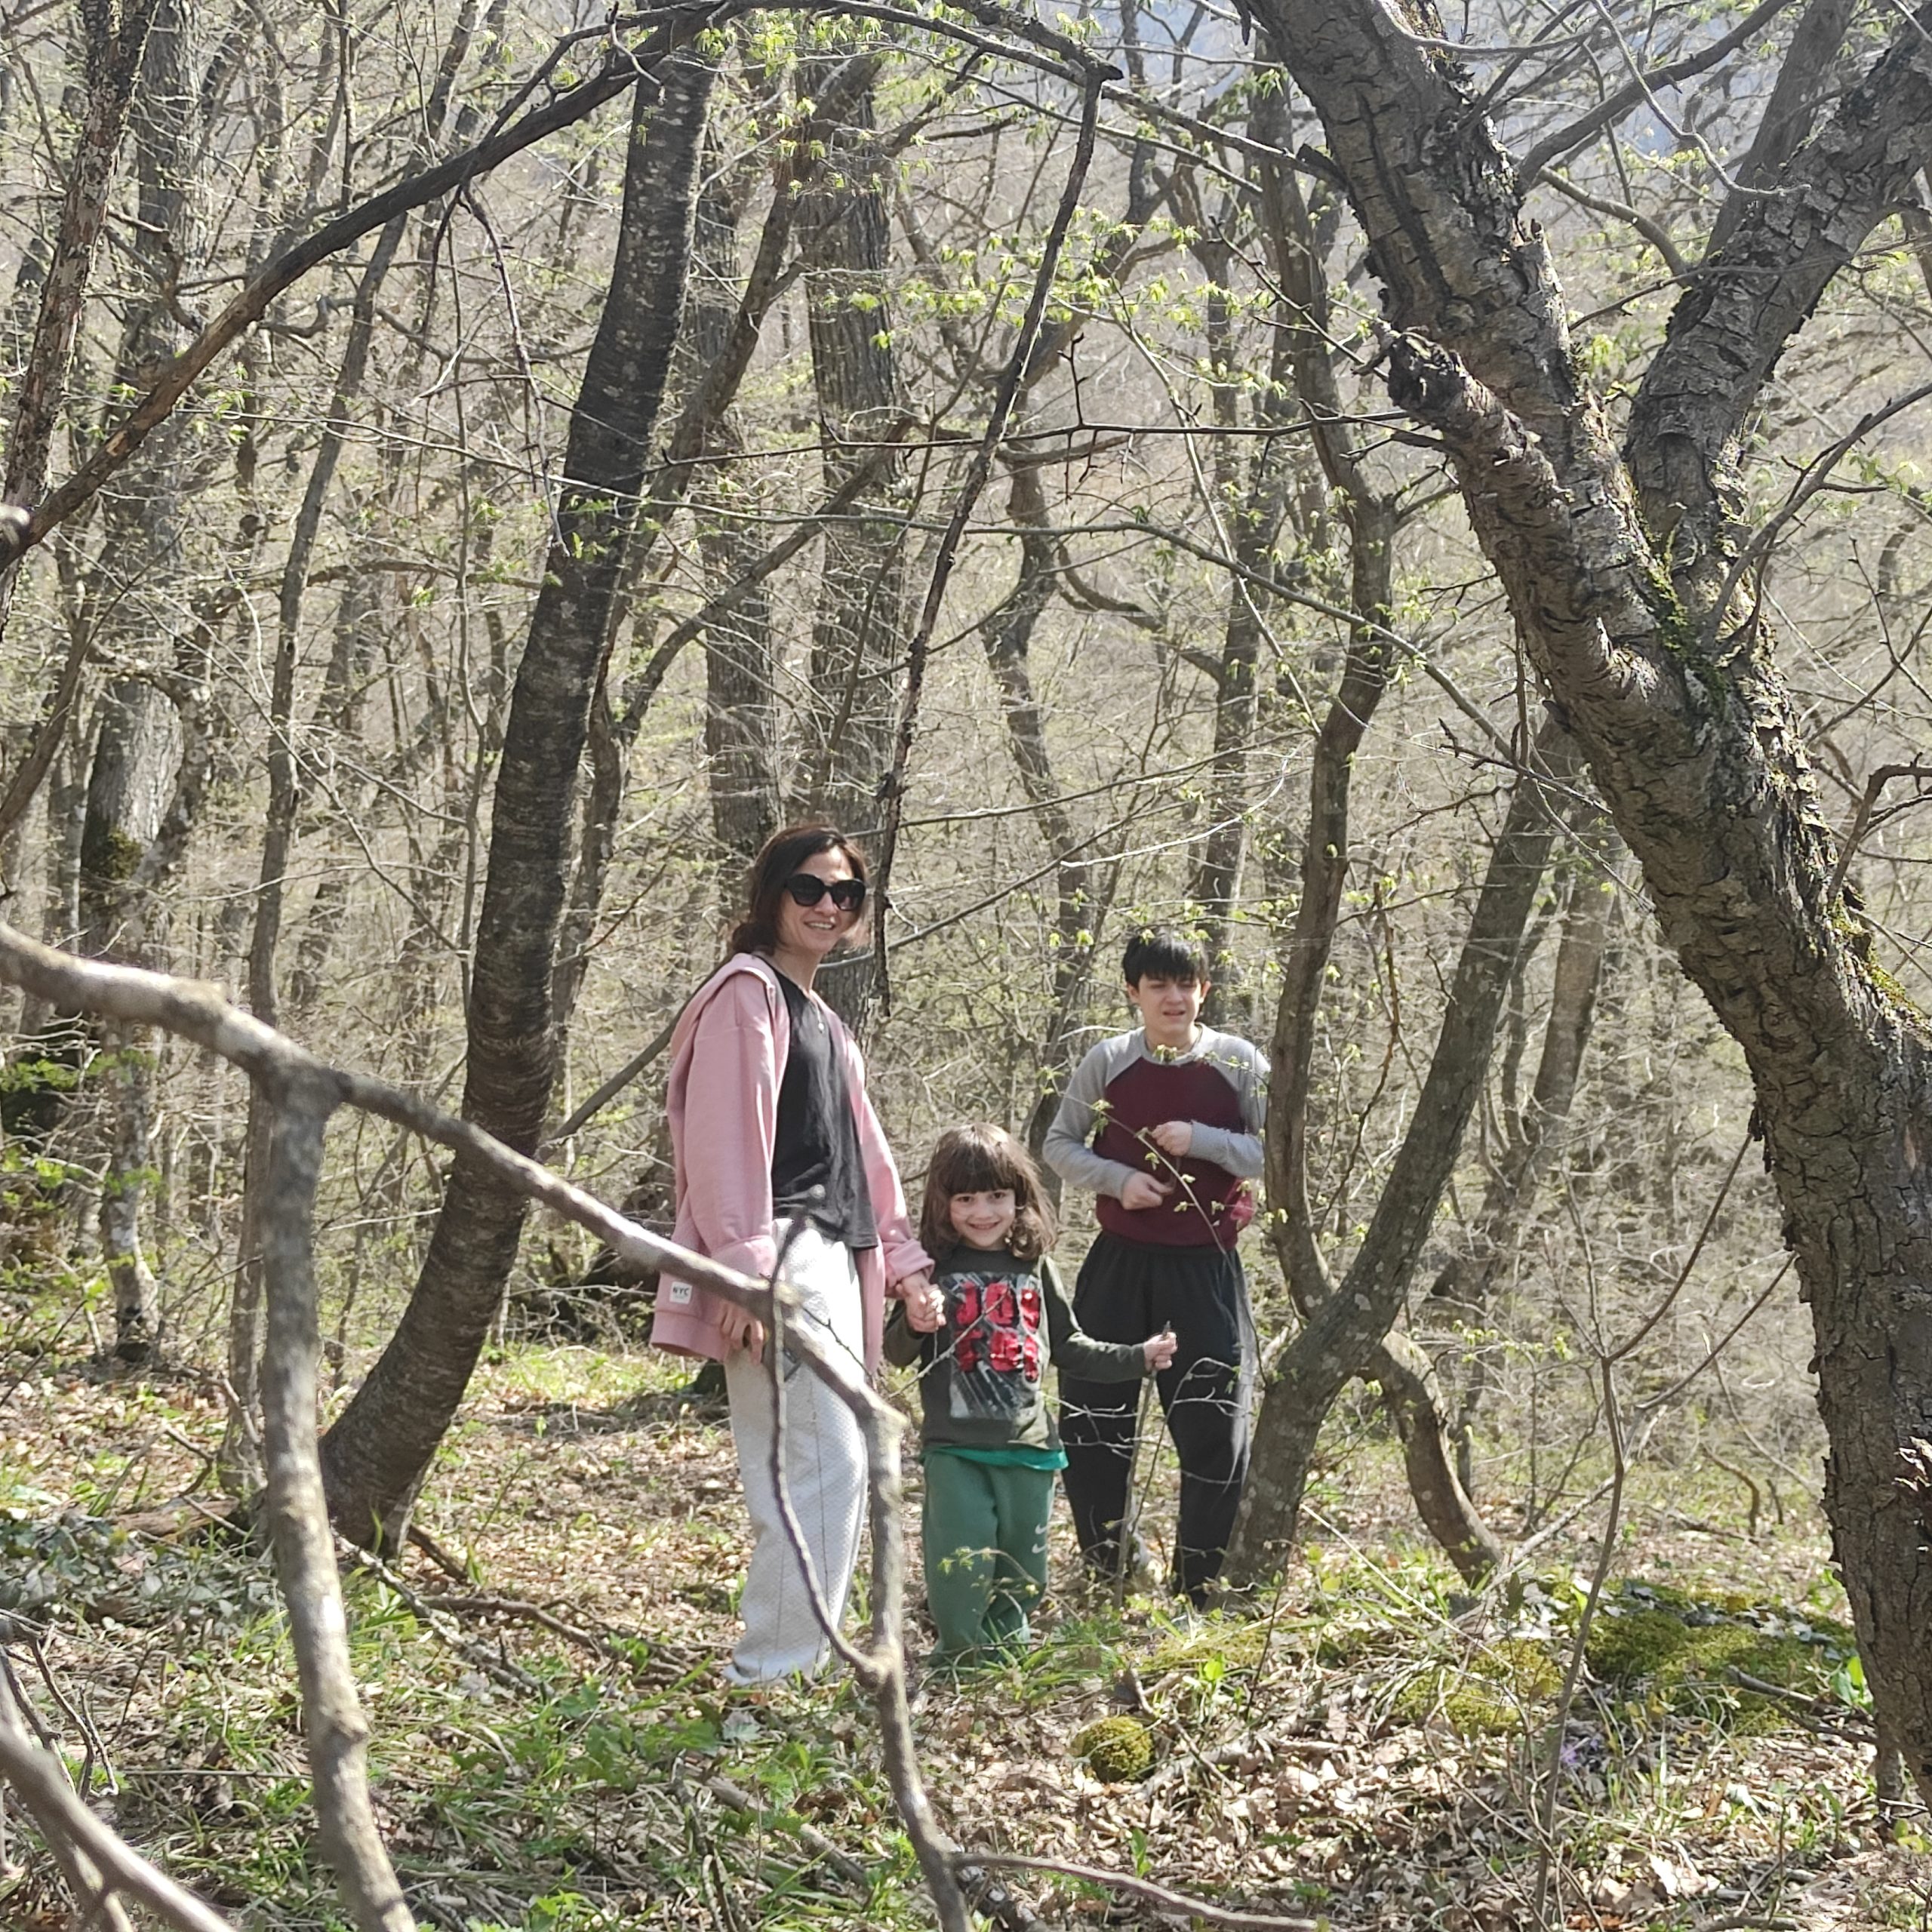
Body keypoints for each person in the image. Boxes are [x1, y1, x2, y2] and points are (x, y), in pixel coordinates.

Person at [652, 824, 942, 1684]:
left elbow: (866, 1157)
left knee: (839, 1473)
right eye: (809, 888)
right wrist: (744, 1272)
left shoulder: (821, 1019)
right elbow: (722, 1142)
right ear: (771, 895)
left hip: (835, 1257)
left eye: (845, 893)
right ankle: (770, 1678)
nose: (828, 905)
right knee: (820, 1471)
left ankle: (802, 1667)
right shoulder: (747, 995)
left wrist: (904, 1262)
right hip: (784, 1254)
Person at [885, 1124, 1175, 1660]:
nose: (982, 1212)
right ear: (943, 1203)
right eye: (966, 1199)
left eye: (997, 1196)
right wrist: (915, 1320)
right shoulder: (931, 1269)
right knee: (961, 1561)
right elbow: (896, 1352)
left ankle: (1006, 1664)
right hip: (955, 1448)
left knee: (1024, 1569)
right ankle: (959, 1661)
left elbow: (1070, 1347)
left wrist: (1138, 1357)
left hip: (1031, 1448)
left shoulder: (1034, 1266)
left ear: (1020, 1198)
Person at [1043, 928, 1266, 1603]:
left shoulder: (1239, 1063)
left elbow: (1277, 1152)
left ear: (1204, 989)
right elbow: (1059, 1144)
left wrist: (1204, 1141)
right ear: (1133, 992)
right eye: (1158, 985)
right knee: (1094, 1421)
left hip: (1207, 1270)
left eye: (1186, 984)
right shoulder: (1108, 1062)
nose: (1174, 998)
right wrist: (1117, 1180)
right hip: (1119, 1266)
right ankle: (1110, 1569)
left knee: (1215, 1428)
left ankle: (1198, 1587)